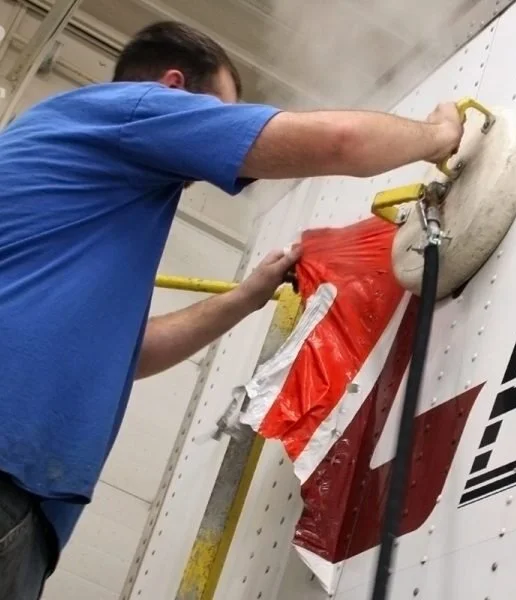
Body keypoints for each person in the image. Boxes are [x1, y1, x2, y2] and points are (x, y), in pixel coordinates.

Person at [0, 20, 464, 599]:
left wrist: (246, 298)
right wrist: (441, 133)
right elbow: (340, 142)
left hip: (25, 498)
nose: (219, 138)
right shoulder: (135, 110)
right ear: (174, 89)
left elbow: (129, 354)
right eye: (220, 113)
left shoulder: (60, 158)